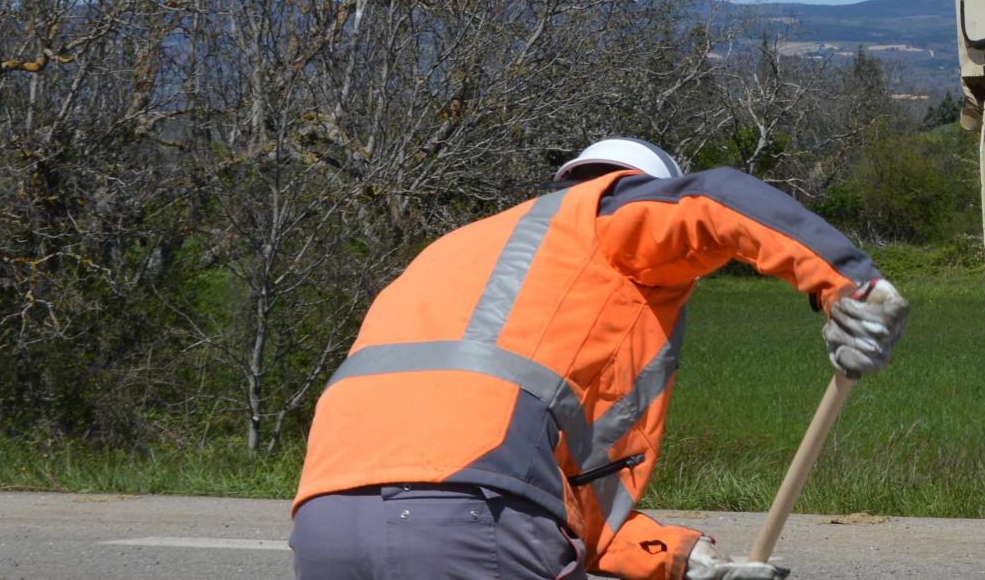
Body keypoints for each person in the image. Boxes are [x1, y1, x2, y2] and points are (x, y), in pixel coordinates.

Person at [289, 138, 910, 580]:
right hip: (475, 513)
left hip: (326, 521)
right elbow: (715, 200)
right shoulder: (608, 217)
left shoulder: (459, 252)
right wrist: (849, 285)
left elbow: (566, 497)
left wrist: (679, 556)